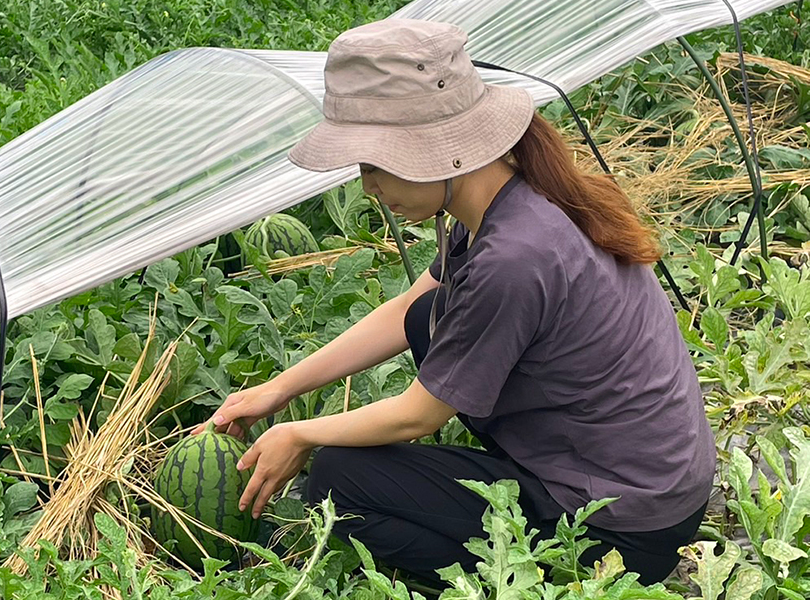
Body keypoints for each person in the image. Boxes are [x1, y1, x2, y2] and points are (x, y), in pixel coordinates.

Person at [192, 18, 715, 587]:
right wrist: (280, 389)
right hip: (648, 482)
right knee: (425, 319)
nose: (367, 187)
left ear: (433, 151)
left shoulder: (515, 258)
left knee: (337, 481)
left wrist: (299, 433)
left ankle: (508, 583)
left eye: (372, 166)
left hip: (617, 531)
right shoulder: (509, 195)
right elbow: (404, 312)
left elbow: (418, 415)